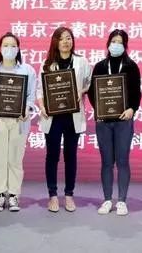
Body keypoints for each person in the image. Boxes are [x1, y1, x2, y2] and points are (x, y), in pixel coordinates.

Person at [87, 29, 142, 216]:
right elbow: (92, 92)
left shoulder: (131, 67)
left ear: (125, 46)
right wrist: (98, 109)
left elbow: (136, 93)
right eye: (113, 41)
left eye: (120, 42)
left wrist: (132, 109)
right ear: (108, 44)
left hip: (123, 121)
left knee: (123, 160)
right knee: (106, 162)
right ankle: (107, 199)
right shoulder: (100, 67)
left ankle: (122, 201)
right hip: (104, 121)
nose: (116, 45)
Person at [37, 27, 91, 213]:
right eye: (62, 39)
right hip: (52, 117)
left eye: (69, 38)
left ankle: (69, 195)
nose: (66, 42)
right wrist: (42, 107)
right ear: (55, 42)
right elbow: (39, 90)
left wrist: (81, 91)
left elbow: (90, 83)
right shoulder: (47, 64)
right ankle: (52, 195)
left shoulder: (81, 62)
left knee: (70, 156)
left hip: (72, 116)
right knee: (52, 156)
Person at [0, 32, 36, 212]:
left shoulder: (27, 70)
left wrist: (26, 109)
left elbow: (31, 95)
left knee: (15, 159)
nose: (9, 49)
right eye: (6, 45)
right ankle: (0, 195)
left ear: (18, 49)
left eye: (13, 46)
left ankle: (13, 195)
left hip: (19, 121)